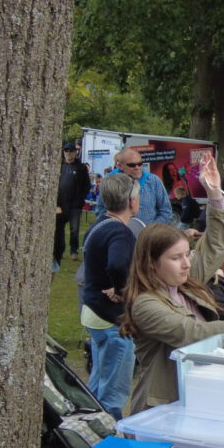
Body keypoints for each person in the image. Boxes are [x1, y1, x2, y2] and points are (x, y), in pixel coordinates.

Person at [120, 154, 224, 414]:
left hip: (199, 398)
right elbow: (191, 333)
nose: (187, 263)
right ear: (152, 263)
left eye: (187, 255)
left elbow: (216, 245)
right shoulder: (146, 304)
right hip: (162, 408)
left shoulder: (186, 284)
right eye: (176, 258)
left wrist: (215, 195)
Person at [79, 173, 140, 419]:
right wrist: (122, 289)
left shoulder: (98, 224)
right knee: (112, 393)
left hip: (93, 312)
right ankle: (107, 442)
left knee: (97, 384)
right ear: (131, 201)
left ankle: (87, 429)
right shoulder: (120, 232)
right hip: (111, 320)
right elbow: (116, 264)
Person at [96, 147, 173, 227]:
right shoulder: (109, 181)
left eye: (140, 164)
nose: (137, 167)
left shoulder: (153, 181)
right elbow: (101, 210)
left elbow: (166, 211)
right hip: (117, 232)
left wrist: (151, 231)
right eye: (132, 165)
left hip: (147, 236)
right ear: (120, 165)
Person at [54, 140, 91, 272]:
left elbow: (87, 186)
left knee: (74, 229)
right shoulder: (60, 166)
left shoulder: (80, 168)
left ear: (76, 153)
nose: (69, 154)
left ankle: (73, 250)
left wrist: (80, 199)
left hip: (75, 204)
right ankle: (60, 249)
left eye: (71, 151)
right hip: (61, 204)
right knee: (59, 228)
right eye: (66, 151)